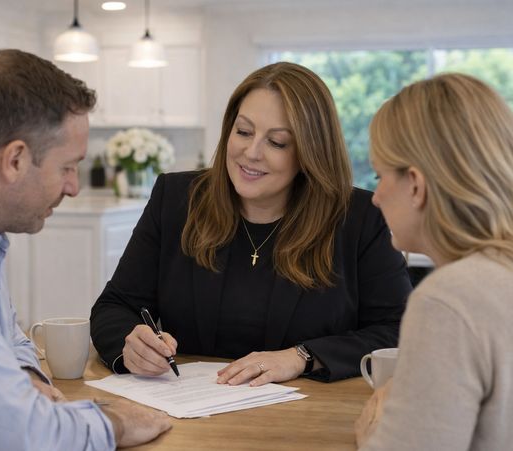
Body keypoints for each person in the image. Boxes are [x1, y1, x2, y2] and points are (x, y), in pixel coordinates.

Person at [91, 62, 412, 385]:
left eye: (277, 142)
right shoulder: (176, 199)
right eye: (243, 132)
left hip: (309, 410)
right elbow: (115, 306)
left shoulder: (359, 218)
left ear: (310, 152)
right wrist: (131, 345)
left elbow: (399, 330)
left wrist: (302, 357)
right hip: (189, 405)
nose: (251, 152)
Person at [0, 49, 170, 450]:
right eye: (67, 167)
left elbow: (11, 337)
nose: (74, 187)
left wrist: (26, 377)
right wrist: (115, 423)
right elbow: (22, 436)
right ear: (15, 160)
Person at [355, 73, 513, 450]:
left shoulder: (449, 298)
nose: (375, 197)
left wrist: (372, 431)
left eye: (379, 175)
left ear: (415, 184)